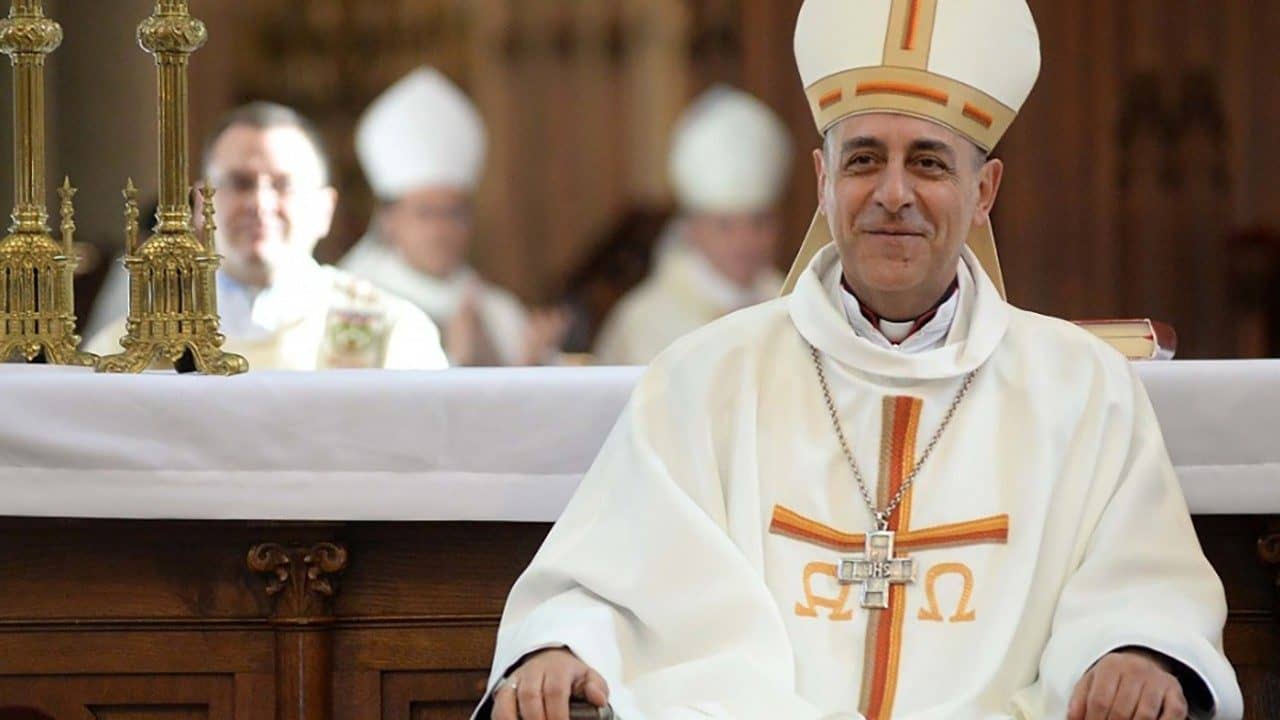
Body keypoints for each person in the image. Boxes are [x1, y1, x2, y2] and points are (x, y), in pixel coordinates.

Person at [478, 1, 1244, 719]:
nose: (893, 193)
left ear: (985, 191)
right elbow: (609, 578)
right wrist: (562, 645)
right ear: (824, 181)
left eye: (930, 163)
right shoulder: (705, 377)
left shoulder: (1081, 387)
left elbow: (1140, 585)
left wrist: (1134, 650)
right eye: (865, 159)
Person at [86, 102, 447, 371]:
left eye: (283, 184)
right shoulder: (133, 346)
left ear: (324, 210)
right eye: (240, 183)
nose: (260, 204)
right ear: (199, 206)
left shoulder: (392, 333)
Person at [343, 67, 567, 367]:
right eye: (425, 213)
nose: (441, 229)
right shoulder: (354, 303)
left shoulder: (497, 311)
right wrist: (460, 362)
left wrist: (532, 367)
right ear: (388, 219)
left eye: (454, 213)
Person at [593, 85, 791, 365]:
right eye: (725, 225)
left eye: (759, 222)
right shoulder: (646, 320)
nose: (745, 240)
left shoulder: (795, 304)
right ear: (692, 228)